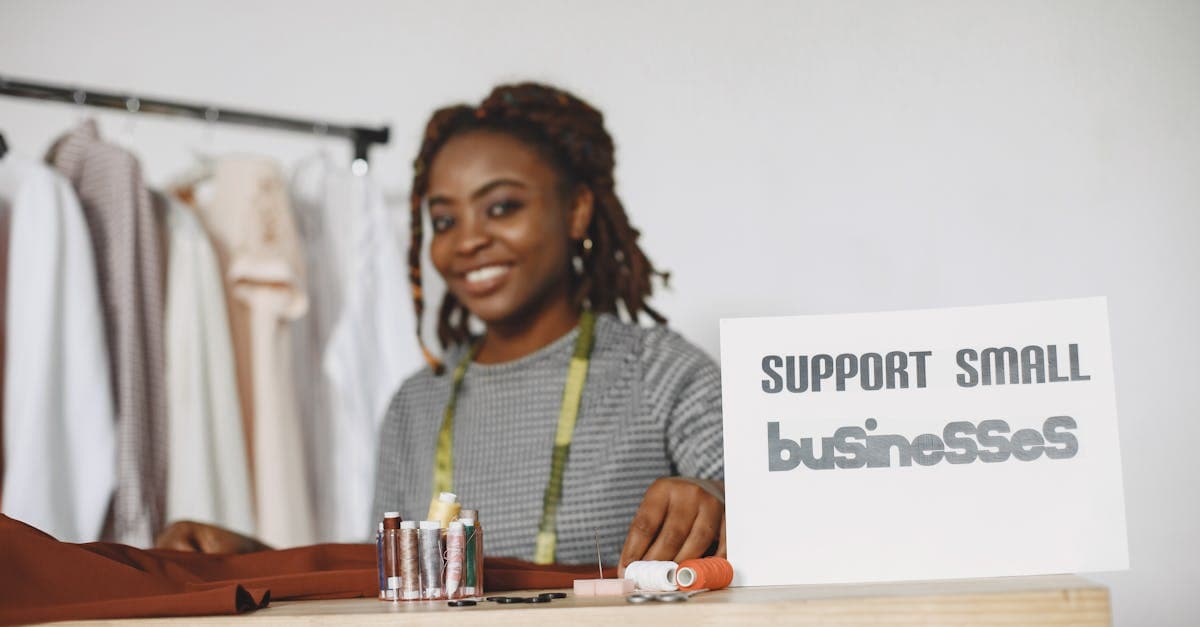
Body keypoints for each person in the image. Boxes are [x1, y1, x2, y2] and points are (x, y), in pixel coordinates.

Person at [156, 83, 726, 571]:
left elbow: (784, 516)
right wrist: (254, 559)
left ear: (576, 211)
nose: (468, 240)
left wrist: (722, 498)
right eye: (445, 220)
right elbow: (390, 577)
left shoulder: (662, 374)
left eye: (501, 207)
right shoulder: (417, 404)